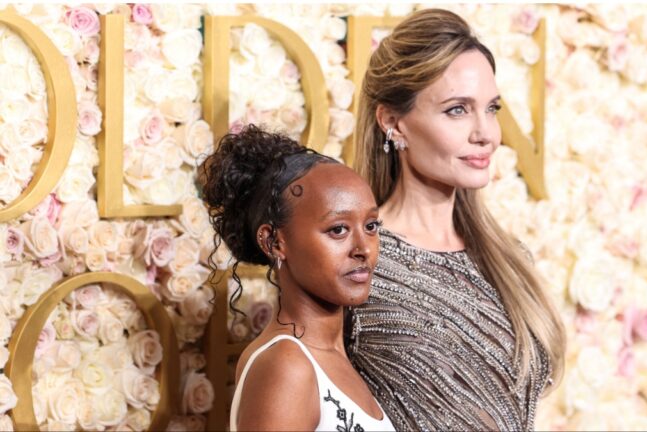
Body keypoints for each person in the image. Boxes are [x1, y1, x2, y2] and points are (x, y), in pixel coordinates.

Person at [347, 8, 566, 431]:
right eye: (457, 110)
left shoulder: (509, 260)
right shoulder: (357, 265)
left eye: (492, 108)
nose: (486, 133)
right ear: (393, 122)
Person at [200, 125, 395, 431]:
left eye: (371, 226)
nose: (363, 249)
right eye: (338, 229)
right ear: (275, 242)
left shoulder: (331, 357)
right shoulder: (286, 367)